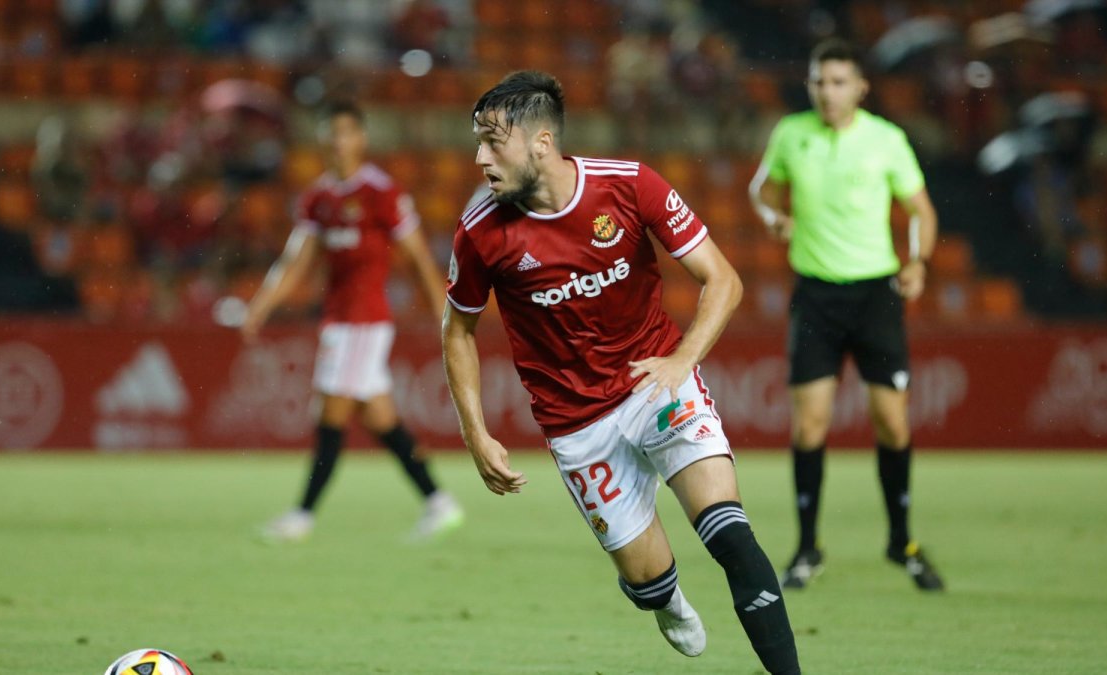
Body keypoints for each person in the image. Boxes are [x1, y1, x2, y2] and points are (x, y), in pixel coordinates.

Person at [443, 71, 801, 674]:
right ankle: (660, 597)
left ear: (541, 142)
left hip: (655, 383)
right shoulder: (480, 233)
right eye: (477, 142)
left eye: (491, 142)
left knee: (731, 537)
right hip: (576, 422)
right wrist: (475, 433)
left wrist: (682, 360)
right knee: (647, 582)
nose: (479, 158)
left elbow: (724, 280)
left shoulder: (630, 186)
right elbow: (458, 330)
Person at [749, 38, 944, 591]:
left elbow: (919, 211)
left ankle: (900, 541)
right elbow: (760, 190)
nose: (827, 93)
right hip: (815, 296)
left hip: (875, 296)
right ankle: (808, 546)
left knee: (893, 422)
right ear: (810, 86)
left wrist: (919, 262)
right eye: (819, 82)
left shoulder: (886, 140)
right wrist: (772, 216)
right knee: (810, 425)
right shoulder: (792, 134)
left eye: (838, 82)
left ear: (861, 87)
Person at [243, 101, 463, 542]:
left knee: (331, 413)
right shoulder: (318, 198)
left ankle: (302, 516)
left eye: (345, 132)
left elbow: (418, 256)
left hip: (364, 322)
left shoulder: (381, 192)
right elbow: (295, 260)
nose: (336, 141)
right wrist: (261, 305)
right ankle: (439, 502)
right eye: (330, 133)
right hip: (338, 321)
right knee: (381, 418)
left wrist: (447, 311)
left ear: (361, 139)